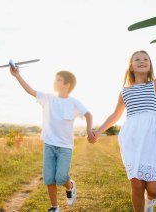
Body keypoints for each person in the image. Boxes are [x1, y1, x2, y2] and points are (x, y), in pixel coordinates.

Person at [89, 28, 156, 212]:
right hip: (131, 137)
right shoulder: (125, 91)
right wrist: (98, 132)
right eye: (137, 59)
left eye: (146, 59)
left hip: (150, 139)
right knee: (137, 185)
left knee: (153, 189)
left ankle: (149, 201)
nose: (142, 61)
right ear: (131, 66)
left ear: (150, 66)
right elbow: (115, 115)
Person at [10, 68, 93, 212]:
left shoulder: (74, 102)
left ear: (66, 85)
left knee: (61, 177)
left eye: (58, 79)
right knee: (49, 178)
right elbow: (30, 90)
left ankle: (70, 186)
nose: (54, 82)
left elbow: (88, 115)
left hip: (65, 147)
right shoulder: (48, 98)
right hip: (49, 145)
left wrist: (89, 130)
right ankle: (54, 207)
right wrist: (17, 75)